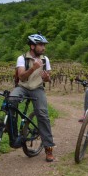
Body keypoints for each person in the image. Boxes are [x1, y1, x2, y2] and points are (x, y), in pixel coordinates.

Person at [11, 33, 55, 162]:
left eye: (43, 45)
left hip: (37, 88)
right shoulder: (22, 58)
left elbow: (48, 79)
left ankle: (48, 147)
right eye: (41, 45)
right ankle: (12, 131)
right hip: (23, 87)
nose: (43, 48)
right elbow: (22, 77)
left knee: (42, 114)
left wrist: (47, 78)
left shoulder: (45, 60)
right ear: (32, 46)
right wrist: (33, 68)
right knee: (11, 101)